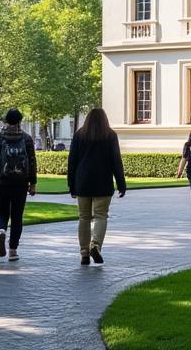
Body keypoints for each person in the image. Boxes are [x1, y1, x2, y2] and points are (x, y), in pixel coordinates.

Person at [67, 107, 127, 265]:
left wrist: (71, 185)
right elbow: (116, 162)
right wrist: (121, 183)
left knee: (84, 217)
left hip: (83, 181)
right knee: (101, 216)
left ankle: (84, 252)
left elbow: (72, 161)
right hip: (103, 181)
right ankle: (96, 245)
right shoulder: (110, 135)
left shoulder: (79, 135)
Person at [0, 108, 38, 261]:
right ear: (20, 121)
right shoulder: (26, 139)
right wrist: (33, 183)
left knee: (2, 213)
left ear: (6, 121)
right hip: (20, 182)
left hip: (1, 182)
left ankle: (0, 230)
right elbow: (32, 162)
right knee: (17, 216)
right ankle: (13, 250)